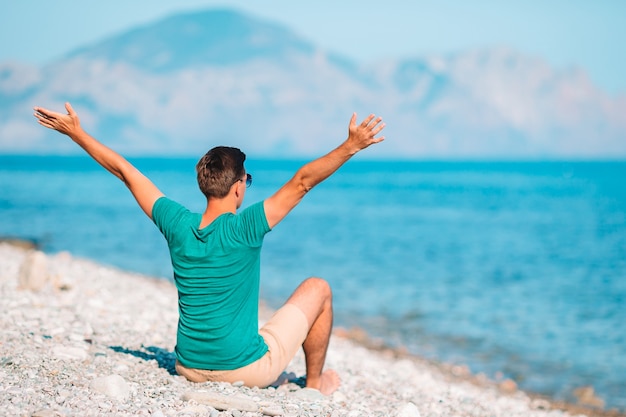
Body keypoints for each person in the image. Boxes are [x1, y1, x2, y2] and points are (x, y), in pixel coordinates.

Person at [34, 102, 385, 395]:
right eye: (247, 180)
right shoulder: (246, 227)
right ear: (237, 188)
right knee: (318, 288)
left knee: (257, 328)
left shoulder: (177, 224)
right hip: (245, 370)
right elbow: (302, 181)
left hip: (188, 367)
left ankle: (269, 370)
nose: (246, 186)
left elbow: (125, 172)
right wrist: (351, 146)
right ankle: (314, 385)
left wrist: (76, 133)